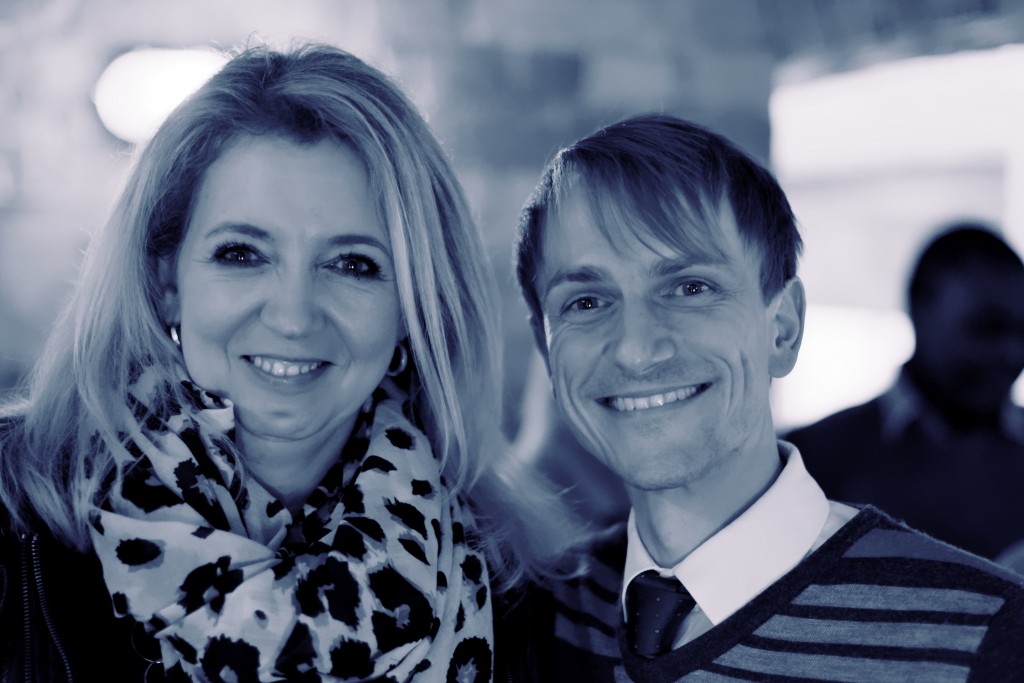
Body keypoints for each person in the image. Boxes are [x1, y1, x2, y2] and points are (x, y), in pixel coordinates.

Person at [0, 42, 570, 682]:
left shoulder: (517, 589)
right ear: (167, 281)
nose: (294, 317)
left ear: (414, 309)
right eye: (242, 254)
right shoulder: (8, 519)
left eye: (353, 264)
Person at [496, 114, 1024, 682]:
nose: (637, 350)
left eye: (690, 287)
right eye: (585, 302)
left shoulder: (990, 639)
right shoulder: (522, 618)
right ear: (546, 349)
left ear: (783, 330)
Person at [786, 223, 1024, 562]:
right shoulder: (812, 460)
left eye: (1023, 331)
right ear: (919, 309)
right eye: (987, 327)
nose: (1013, 353)